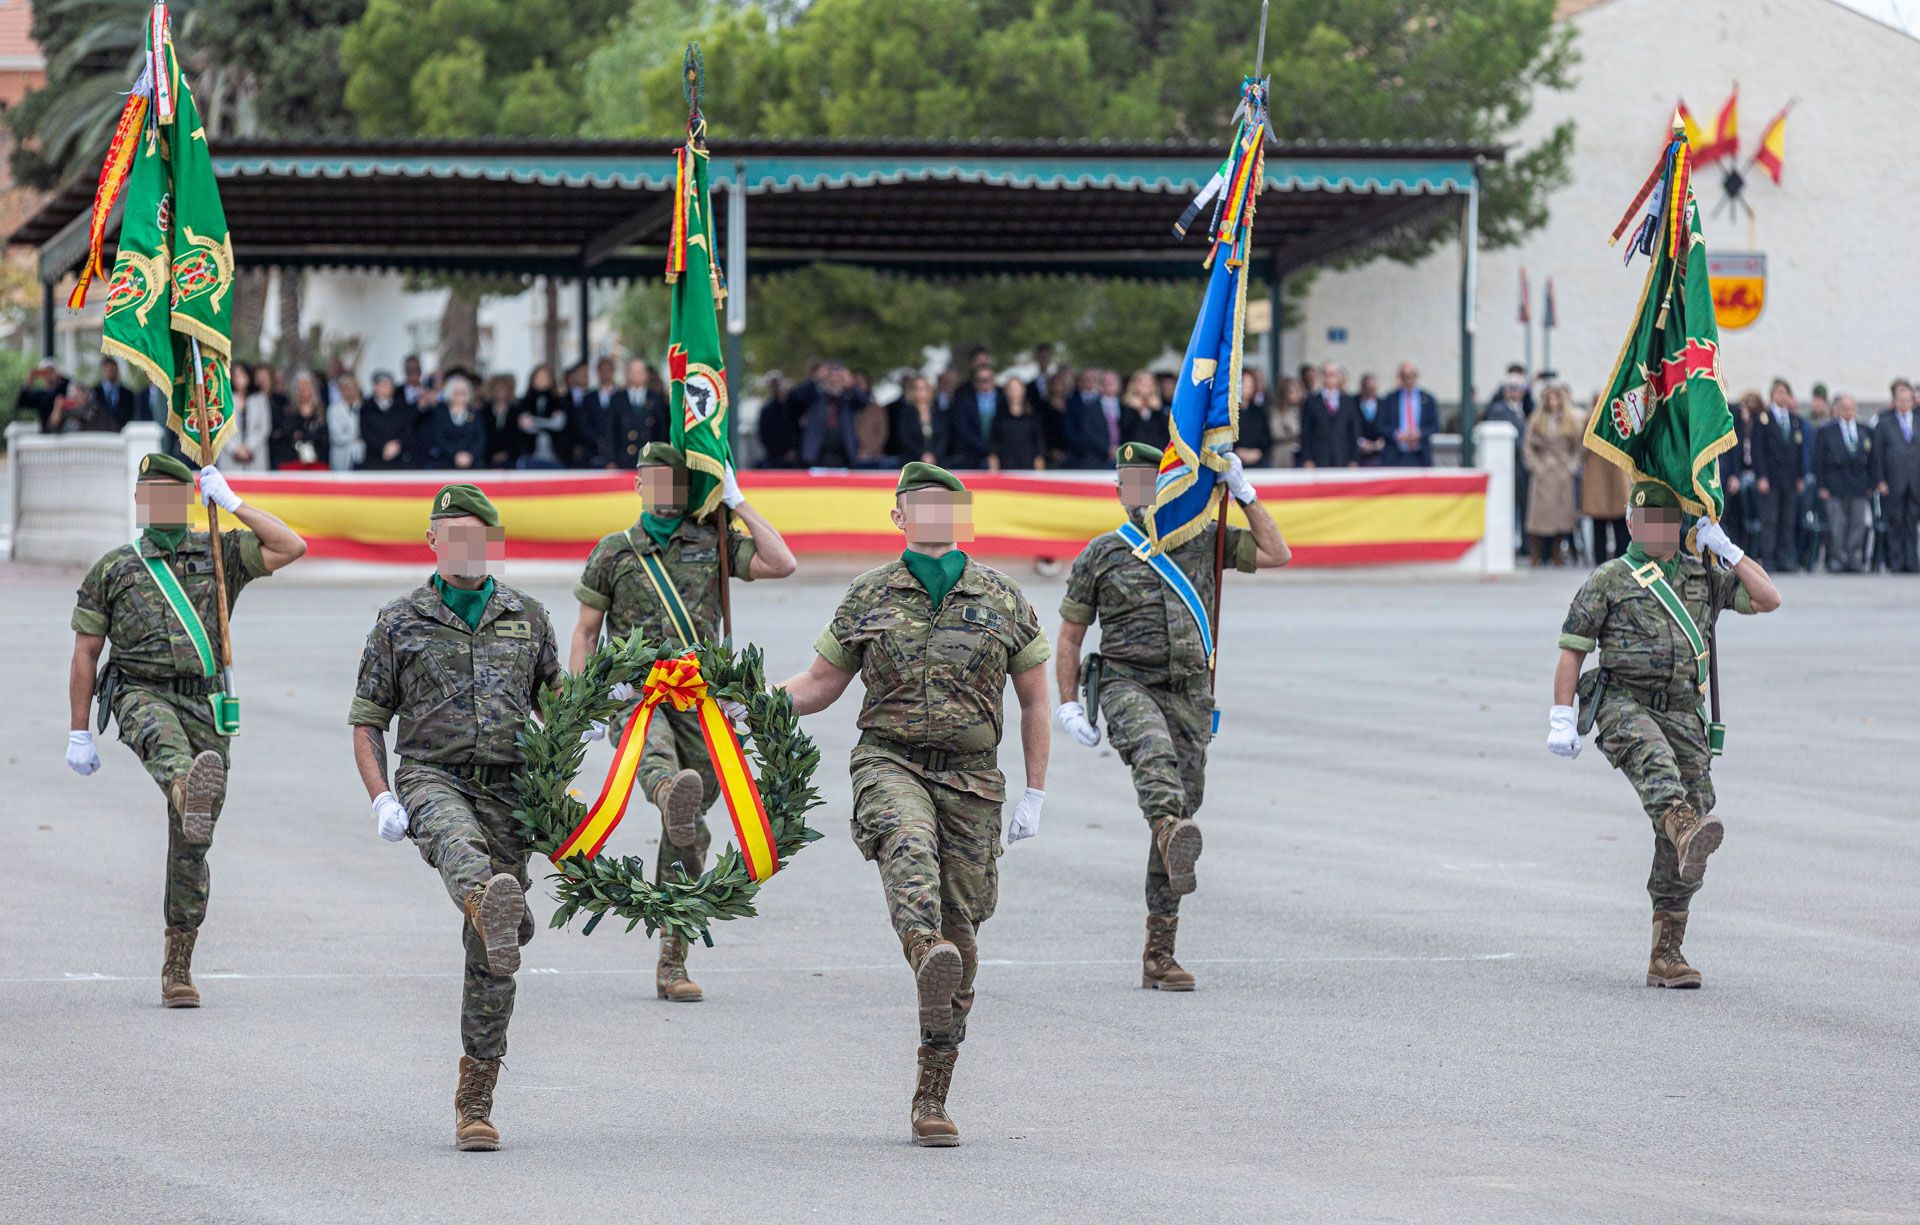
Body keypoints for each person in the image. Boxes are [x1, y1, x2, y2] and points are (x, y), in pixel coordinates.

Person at [778, 462, 1050, 1147]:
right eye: (918, 505)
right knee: (906, 844)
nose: (932, 515)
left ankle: (932, 1092)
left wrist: (1037, 791)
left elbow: (1036, 699)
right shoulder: (868, 594)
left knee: (964, 935)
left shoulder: (1005, 599)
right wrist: (737, 697)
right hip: (889, 759)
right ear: (896, 517)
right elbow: (817, 684)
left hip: (973, 781)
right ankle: (922, 945)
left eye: (944, 505)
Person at [350, 483, 562, 1151]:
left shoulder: (528, 616)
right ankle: (485, 897)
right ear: (433, 542)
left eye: (479, 535)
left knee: (493, 956)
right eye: (454, 534)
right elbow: (368, 719)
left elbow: (559, 707)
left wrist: (606, 714)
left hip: (512, 790)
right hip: (431, 777)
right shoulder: (398, 621)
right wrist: (381, 793)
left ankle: (476, 1099)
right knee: (460, 849)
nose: (467, 548)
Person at [66, 453, 307, 1007]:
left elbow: (290, 547)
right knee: (172, 756)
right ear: (138, 501)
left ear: (188, 499)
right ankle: (182, 784)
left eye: (171, 493)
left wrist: (234, 504)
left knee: (193, 839)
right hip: (140, 692)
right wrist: (78, 730)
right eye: (150, 492)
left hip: (205, 701)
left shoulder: (219, 553)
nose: (160, 503)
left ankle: (179, 962)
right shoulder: (115, 569)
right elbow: (85, 653)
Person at [1054, 443, 1290, 990]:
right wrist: (1067, 703)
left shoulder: (1203, 541)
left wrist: (1244, 492)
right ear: (1118, 492)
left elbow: (1277, 553)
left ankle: (1159, 954)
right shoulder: (1103, 554)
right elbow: (1070, 635)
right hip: (1125, 683)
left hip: (1189, 692)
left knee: (1184, 806)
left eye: (1149, 482)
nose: (1140, 494)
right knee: (1156, 766)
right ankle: (1168, 829)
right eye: (1130, 484)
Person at [570, 444, 796, 997]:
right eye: (652, 479)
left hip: (701, 697)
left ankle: (681, 813)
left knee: (689, 827)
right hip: (637, 692)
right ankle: (673, 958)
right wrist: (583, 703)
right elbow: (584, 632)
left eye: (672, 480)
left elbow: (781, 562)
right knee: (657, 758)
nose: (661, 489)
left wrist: (738, 503)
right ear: (639, 486)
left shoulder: (712, 541)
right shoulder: (615, 552)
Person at [1549, 481, 1781, 988]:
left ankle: (1666, 952)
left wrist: (1729, 550)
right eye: (1646, 520)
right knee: (1656, 767)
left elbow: (1769, 598)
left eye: (1667, 520)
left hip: (1683, 710)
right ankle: (1680, 823)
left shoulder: (1703, 574)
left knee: (1693, 816)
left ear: (1678, 525)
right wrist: (1561, 715)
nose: (1657, 530)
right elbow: (1573, 649)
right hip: (1622, 700)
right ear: (1631, 524)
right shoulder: (1610, 579)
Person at [1522, 384, 1583, 565]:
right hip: (1543, 471)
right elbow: (1527, 446)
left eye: (1555, 398)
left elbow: (1579, 446)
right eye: (1549, 398)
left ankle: (1557, 554)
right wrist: (1535, 466)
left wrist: (1572, 465)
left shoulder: (1570, 420)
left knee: (1561, 516)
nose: (1552, 402)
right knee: (1537, 516)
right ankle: (1536, 555)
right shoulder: (1536, 419)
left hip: (1562, 471)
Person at [1815, 394, 1874, 573]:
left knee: (1857, 523)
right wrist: (1822, 486)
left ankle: (1854, 557)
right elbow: (1819, 460)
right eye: (1845, 408)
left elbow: (1873, 459)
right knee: (1837, 524)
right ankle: (1837, 558)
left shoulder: (1864, 430)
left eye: (1851, 408)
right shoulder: (1826, 431)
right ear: (1838, 410)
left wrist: (1871, 484)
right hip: (1834, 485)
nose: (1848, 412)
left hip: (1859, 485)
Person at [1758, 379, 1808, 573]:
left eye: (1785, 393)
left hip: (1789, 479)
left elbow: (1799, 450)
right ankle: (1768, 559)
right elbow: (1758, 450)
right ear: (1772, 395)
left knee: (1788, 520)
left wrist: (1800, 476)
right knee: (1770, 520)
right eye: (1778, 392)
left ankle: (1785, 559)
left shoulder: (1794, 420)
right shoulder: (1764, 418)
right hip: (1770, 478)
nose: (1782, 396)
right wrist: (1761, 476)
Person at [1873, 378, 1920, 572]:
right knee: (1895, 522)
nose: (1905, 403)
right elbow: (1877, 455)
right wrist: (1880, 480)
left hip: (1915, 481)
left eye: (1908, 400)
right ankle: (1896, 561)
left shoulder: (1918, 420)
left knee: (1912, 522)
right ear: (1894, 401)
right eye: (1901, 400)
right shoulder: (1885, 423)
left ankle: (1912, 561)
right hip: (1893, 481)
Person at [1298, 361, 1362, 468]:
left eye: (1333, 374)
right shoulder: (1311, 402)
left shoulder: (1349, 402)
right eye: (1326, 374)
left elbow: (1354, 432)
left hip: (1342, 458)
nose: (1329, 378)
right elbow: (1305, 432)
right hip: (1318, 458)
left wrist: (1354, 459)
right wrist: (1307, 458)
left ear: (1339, 377)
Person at [417, 375, 487, 470]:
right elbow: (439, 438)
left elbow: (480, 439)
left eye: (464, 392)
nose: (461, 396)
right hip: (445, 460)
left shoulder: (475, 413)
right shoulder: (440, 412)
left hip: (471, 461)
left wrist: (469, 455)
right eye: (457, 393)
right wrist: (455, 455)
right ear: (450, 394)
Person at [613, 359, 669, 467]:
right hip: (624, 459)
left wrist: (662, 458)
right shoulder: (617, 399)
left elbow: (662, 431)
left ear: (646, 375)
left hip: (649, 459)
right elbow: (611, 430)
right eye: (634, 372)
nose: (638, 375)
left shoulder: (655, 399)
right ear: (628, 374)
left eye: (641, 372)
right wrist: (611, 460)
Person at [270, 371, 331, 469]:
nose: (303, 389)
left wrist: (303, 436)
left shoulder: (322, 412)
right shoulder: (288, 411)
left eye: (307, 385)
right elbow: (284, 434)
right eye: (300, 386)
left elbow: (324, 437)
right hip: (292, 462)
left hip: (317, 463)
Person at [1582, 444, 1631, 564]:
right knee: (1603, 522)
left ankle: (1617, 562)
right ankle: (1611, 562)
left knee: (1619, 522)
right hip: (1606, 468)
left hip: (1615, 467)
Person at [1384, 362, 1439, 467]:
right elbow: (1381, 425)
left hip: (1420, 454)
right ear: (1400, 378)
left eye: (1411, 376)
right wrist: (1396, 434)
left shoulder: (1427, 399)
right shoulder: (1390, 399)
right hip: (1396, 454)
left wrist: (1420, 433)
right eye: (1405, 377)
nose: (1408, 380)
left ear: (1416, 377)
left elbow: (1435, 425)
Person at [358, 372, 417, 471]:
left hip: (398, 460)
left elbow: (407, 429)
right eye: (384, 384)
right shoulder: (366, 408)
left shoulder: (401, 406)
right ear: (375, 387)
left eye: (389, 384)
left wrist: (398, 445)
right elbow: (366, 432)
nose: (387, 387)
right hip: (374, 460)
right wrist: (383, 447)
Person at [889, 373, 951, 466]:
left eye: (924, 388)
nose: (921, 392)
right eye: (917, 388)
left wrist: (933, 455)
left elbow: (943, 437)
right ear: (912, 391)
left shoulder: (938, 413)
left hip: (937, 463)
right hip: (912, 462)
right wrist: (922, 455)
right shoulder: (905, 414)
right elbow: (904, 438)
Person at [987, 377, 1046, 471]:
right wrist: (994, 469)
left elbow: (1039, 444)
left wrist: (1039, 469)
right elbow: (993, 445)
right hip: (1005, 466)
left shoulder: (1032, 417)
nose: (1014, 392)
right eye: (1011, 388)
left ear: (1023, 391)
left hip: (1028, 466)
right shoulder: (999, 417)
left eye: (1017, 388)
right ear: (1006, 391)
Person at [516, 363, 569, 469]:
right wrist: (548, 422)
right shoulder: (524, 402)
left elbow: (558, 424)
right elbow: (526, 426)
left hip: (555, 455)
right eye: (539, 377)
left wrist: (534, 420)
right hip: (530, 455)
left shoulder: (559, 402)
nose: (541, 380)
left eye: (544, 377)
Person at [1061, 367, 1115, 470]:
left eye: (1093, 379)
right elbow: (1070, 430)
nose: (1089, 382)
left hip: (1106, 457)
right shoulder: (1072, 402)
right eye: (1086, 379)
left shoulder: (1105, 401)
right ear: (1080, 381)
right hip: (1081, 457)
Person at [223, 363, 273, 473]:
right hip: (230, 458)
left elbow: (264, 428)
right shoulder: (224, 399)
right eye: (235, 375)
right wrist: (235, 449)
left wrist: (248, 448)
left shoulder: (260, 399)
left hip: (255, 456)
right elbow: (221, 428)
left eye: (242, 375)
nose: (239, 379)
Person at [1117, 370, 1169, 450]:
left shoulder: (1159, 406)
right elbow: (1124, 429)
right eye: (1142, 383)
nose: (1147, 386)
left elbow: (1166, 433)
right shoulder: (1126, 405)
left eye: (1150, 383)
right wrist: (1134, 410)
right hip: (1133, 454)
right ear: (1134, 385)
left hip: (1155, 453)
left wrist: (1158, 410)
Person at [481, 374, 523, 469]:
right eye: (497, 389)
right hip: (488, 459)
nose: (501, 393)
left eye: (504, 389)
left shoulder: (516, 411)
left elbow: (518, 438)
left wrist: (507, 453)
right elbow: (483, 436)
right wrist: (492, 454)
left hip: (512, 459)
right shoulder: (484, 412)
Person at [18, 356, 71, 431]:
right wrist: (28, 381)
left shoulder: (64, 389)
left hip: (65, 433)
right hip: (46, 435)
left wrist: (59, 376)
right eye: (45, 372)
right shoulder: (40, 395)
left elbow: (70, 384)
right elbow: (21, 403)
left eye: (51, 371)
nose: (48, 374)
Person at [1234, 369, 1273, 468]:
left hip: (1258, 463)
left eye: (1250, 386)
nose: (1246, 389)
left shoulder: (1260, 412)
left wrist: (1258, 452)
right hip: (1234, 462)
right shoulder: (1228, 412)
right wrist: (1237, 451)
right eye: (1244, 384)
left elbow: (1266, 438)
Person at [91, 357, 143, 430]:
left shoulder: (128, 394)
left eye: (112, 370)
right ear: (102, 371)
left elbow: (132, 415)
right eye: (107, 370)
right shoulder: (94, 392)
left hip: (123, 433)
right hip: (101, 434)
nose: (110, 372)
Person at [327, 373, 364, 472]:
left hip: (360, 455)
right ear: (341, 390)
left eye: (354, 388)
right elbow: (336, 436)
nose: (351, 392)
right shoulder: (333, 410)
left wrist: (347, 431)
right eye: (347, 388)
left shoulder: (364, 408)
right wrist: (356, 435)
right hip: (340, 456)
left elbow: (366, 432)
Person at [1354, 372, 1388, 465]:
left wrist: (1381, 442)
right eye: (1368, 388)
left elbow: (1386, 425)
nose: (1370, 391)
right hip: (1358, 455)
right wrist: (1361, 442)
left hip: (1379, 455)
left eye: (1373, 389)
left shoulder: (1383, 404)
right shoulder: (1353, 403)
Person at [1271, 375, 1304, 468]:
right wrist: (1294, 432)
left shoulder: (1304, 410)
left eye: (1298, 391)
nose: (1296, 395)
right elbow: (1276, 432)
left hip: (1300, 455)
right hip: (1283, 455)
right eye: (1292, 392)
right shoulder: (1277, 411)